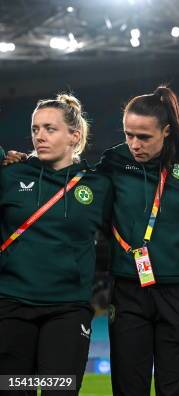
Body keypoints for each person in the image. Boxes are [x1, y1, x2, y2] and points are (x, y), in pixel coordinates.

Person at [0, 94, 112, 394]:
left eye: (50, 128)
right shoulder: (10, 174)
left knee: (58, 390)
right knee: (13, 388)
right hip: (11, 306)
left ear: (74, 136)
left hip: (67, 309)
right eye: (35, 129)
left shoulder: (97, 185)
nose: (39, 136)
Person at [97, 86, 179, 395]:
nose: (134, 144)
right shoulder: (113, 161)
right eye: (129, 134)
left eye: (144, 137)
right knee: (129, 387)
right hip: (129, 289)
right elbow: (96, 210)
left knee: (176, 388)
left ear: (166, 131)